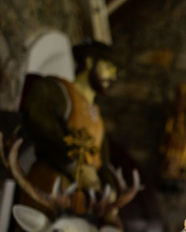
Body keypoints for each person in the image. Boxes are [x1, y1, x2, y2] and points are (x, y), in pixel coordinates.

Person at [21, 40, 119, 204]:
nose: (113, 76)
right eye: (108, 67)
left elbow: (102, 163)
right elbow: (40, 123)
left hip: (78, 201)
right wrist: (74, 166)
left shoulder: (98, 118)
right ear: (89, 62)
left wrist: (110, 190)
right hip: (49, 186)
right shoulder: (57, 90)